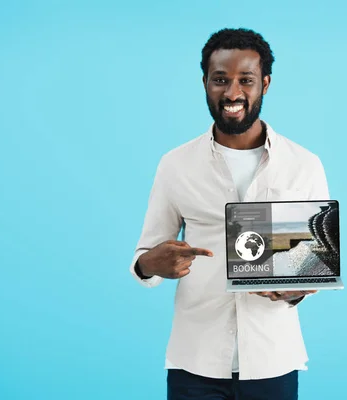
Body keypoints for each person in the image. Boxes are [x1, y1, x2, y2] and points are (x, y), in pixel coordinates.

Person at [130, 27, 330, 400]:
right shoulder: (175, 165)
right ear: (205, 82)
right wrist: (151, 265)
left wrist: (296, 290)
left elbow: (313, 265)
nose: (233, 93)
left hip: (273, 358)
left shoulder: (304, 164)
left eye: (246, 81)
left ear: (265, 85)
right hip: (195, 360)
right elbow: (145, 258)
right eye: (220, 79)